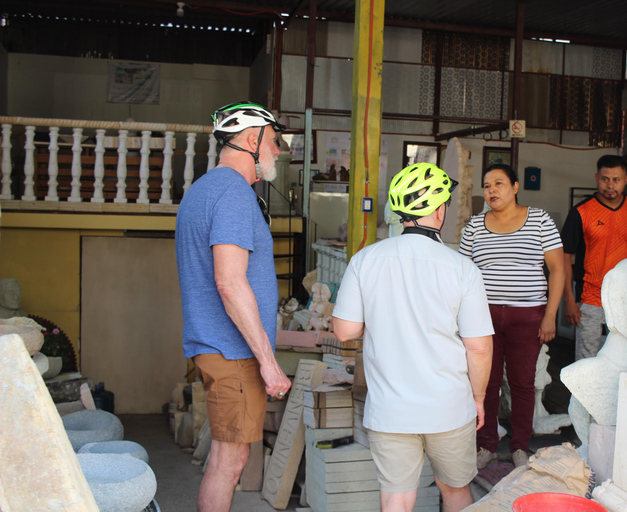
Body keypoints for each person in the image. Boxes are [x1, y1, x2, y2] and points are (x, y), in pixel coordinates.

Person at [332, 163, 494, 512]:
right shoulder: (463, 269)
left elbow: (345, 330)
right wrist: (478, 397)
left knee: (396, 498)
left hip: (390, 410)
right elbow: (479, 346)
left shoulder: (365, 260)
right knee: (454, 491)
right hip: (449, 408)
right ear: (439, 210)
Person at [175, 101, 292, 512]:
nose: (277, 151)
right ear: (251, 139)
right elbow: (229, 282)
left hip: (220, 348)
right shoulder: (233, 194)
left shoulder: (203, 191)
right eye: (273, 142)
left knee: (230, 457)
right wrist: (267, 361)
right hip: (234, 352)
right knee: (230, 460)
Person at [459, 163, 565, 470]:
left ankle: (520, 446)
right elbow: (462, 275)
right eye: (487, 185)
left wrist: (549, 316)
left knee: (522, 383)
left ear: (515, 187)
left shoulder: (539, 220)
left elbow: (558, 268)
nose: (492, 190)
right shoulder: (475, 227)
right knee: (485, 383)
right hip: (484, 316)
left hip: (528, 315)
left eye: (499, 183)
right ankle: (487, 445)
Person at [561, 154, 627, 360]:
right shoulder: (581, 211)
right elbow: (564, 256)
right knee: (587, 360)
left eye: (616, 180)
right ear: (597, 178)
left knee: (622, 358)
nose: (610, 185)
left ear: (626, 180)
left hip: (626, 297)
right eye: (605, 179)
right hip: (591, 297)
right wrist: (570, 300)